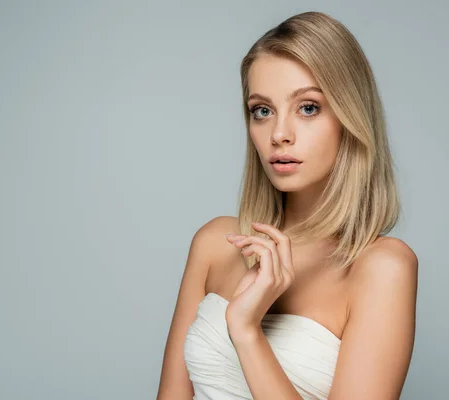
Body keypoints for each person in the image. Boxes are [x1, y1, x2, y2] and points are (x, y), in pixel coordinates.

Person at [156, 10, 418, 400]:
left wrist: (246, 331)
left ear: (350, 117)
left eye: (308, 107)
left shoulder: (382, 268)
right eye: (262, 110)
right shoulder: (216, 243)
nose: (279, 134)